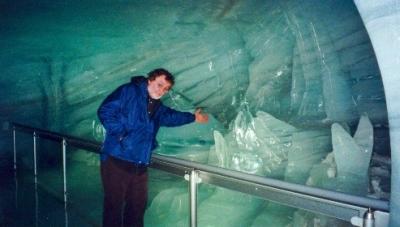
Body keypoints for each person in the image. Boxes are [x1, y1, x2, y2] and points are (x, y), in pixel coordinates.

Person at [97, 68, 208, 227]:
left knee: (136, 208)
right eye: (159, 84)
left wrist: (193, 117)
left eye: (165, 89)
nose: (161, 90)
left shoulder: (158, 107)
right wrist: (121, 134)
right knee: (113, 208)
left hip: (140, 163)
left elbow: (171, 117)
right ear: (150, 80)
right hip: (117, 158)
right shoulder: (129, 91)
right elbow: (105, 110)